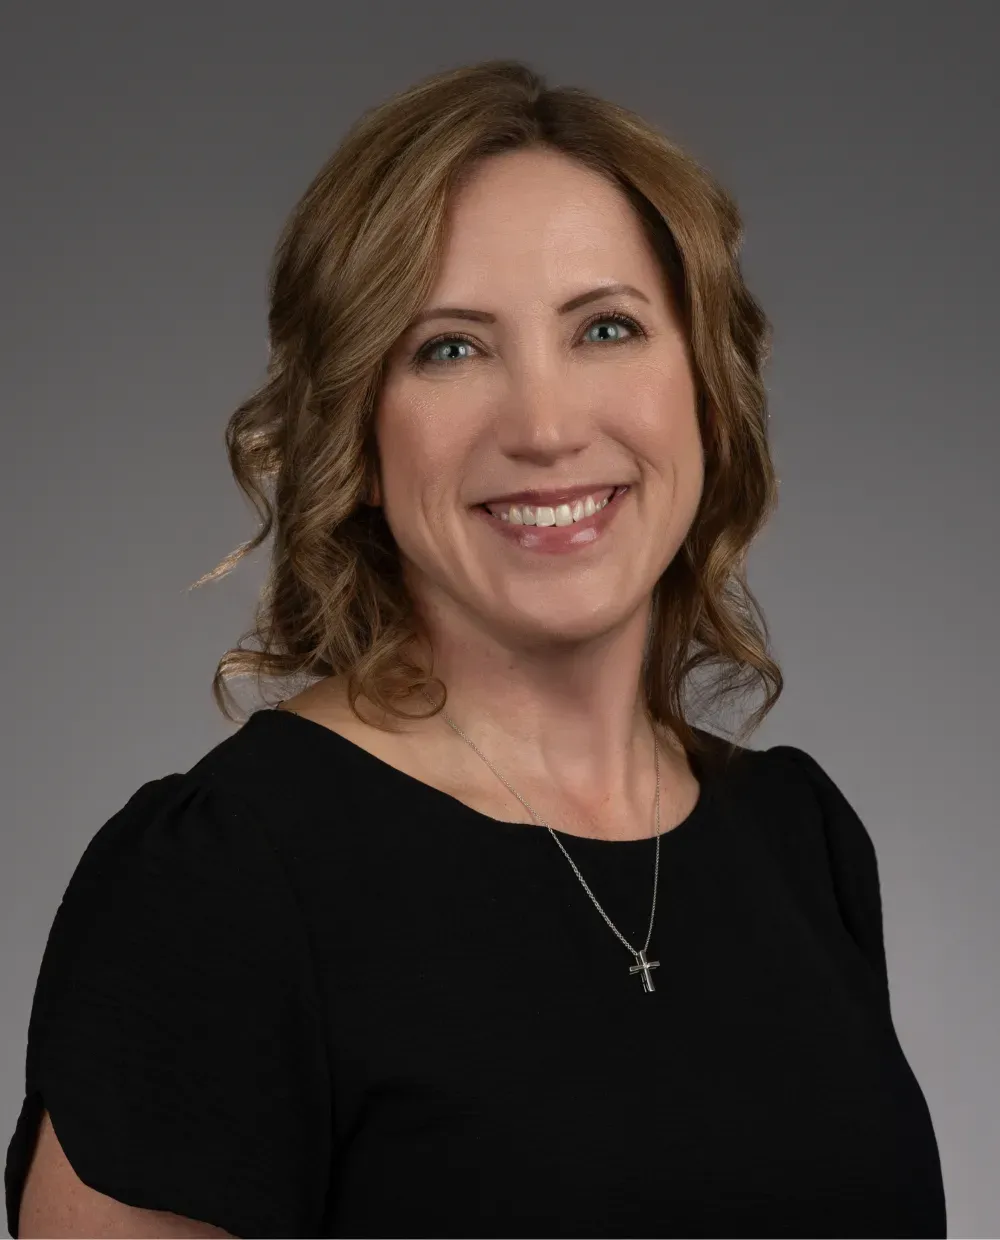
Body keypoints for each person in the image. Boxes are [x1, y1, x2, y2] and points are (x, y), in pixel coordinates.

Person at [5, 58, 946, 1239]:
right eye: (449, 347)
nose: (546, 427)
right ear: (357, 417)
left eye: (606, 327)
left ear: (705, 385)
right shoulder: (225, 879)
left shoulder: (797, 841)